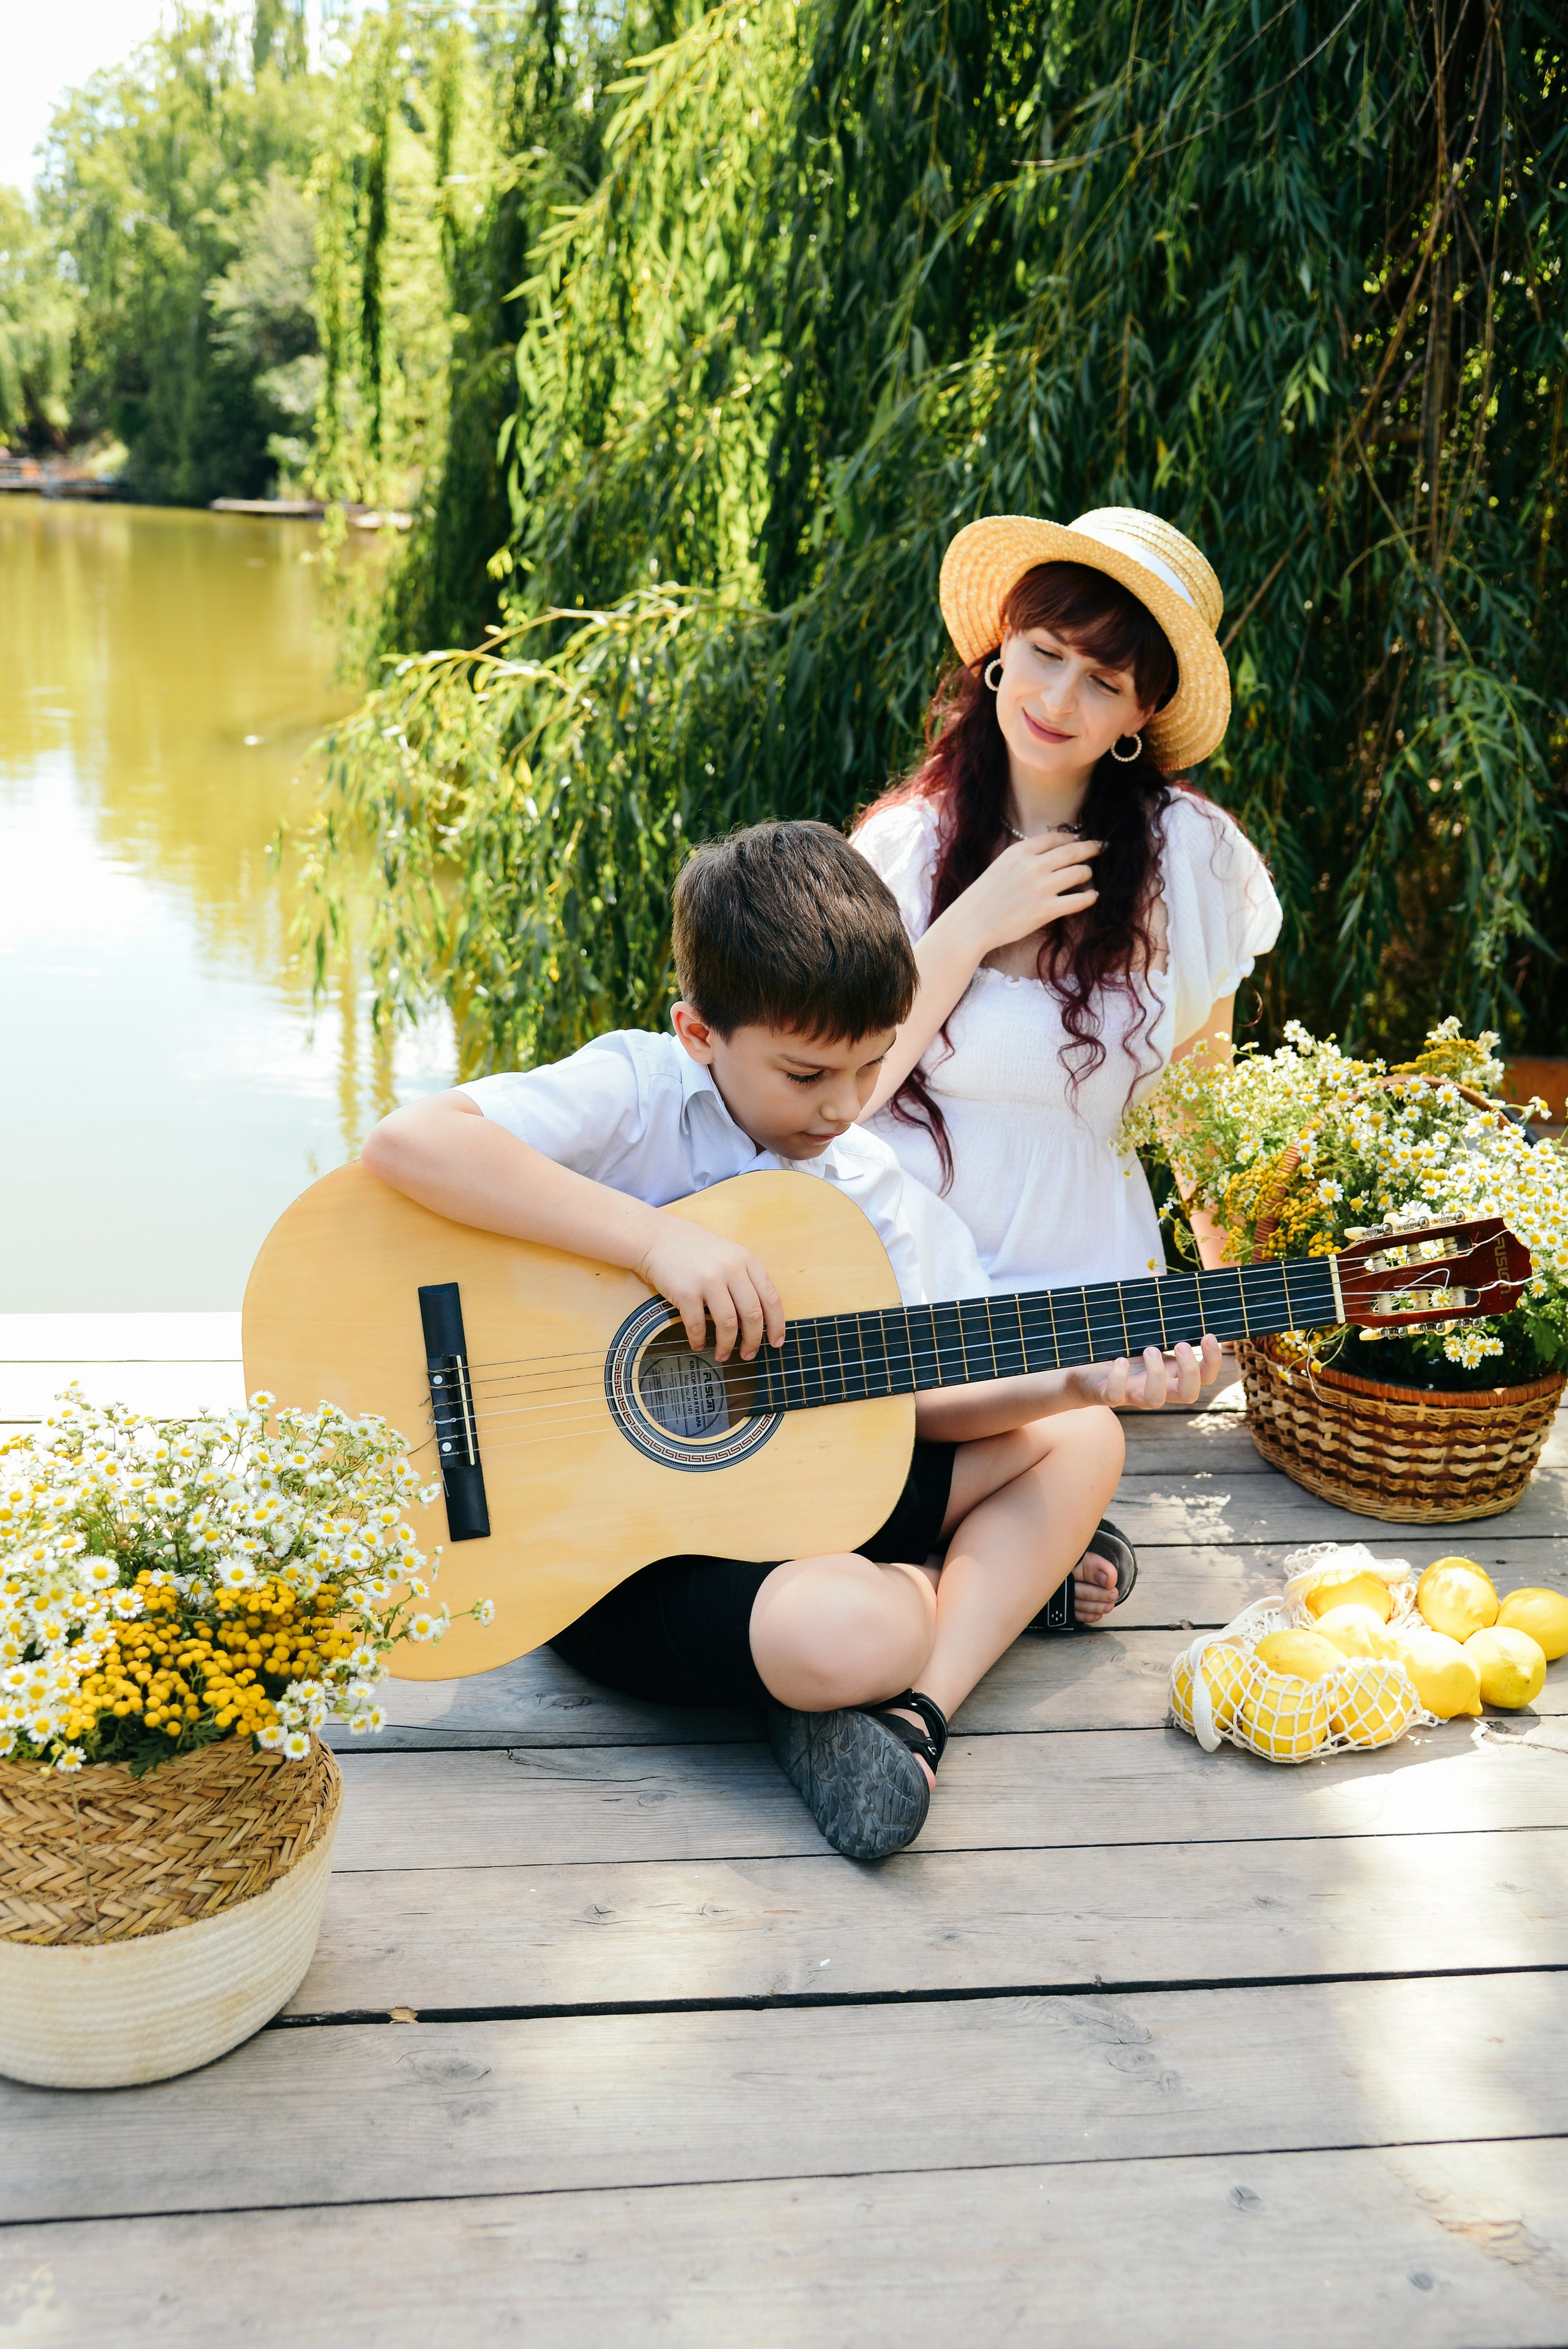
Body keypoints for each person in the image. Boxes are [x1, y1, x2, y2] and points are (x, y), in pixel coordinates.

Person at [361, 821, 1219, 1861]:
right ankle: (975, 1586)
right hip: (604, 1560)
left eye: (867, 1069)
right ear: (698, 1032)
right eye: (806, 1074)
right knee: (859, 1633)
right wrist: (658, 1243)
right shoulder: (639, 1096)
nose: (847, 1106)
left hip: (803, 1499)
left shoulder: (861, 1187)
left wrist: (1078, 1377)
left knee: (1082, 1435)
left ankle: (914, 1723)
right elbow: (410, 1143)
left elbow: (913, 1400)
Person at [854, 505, 1281, 1303]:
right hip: (899, 1280)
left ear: (1142, 713)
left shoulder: (1192, 860)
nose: (1056, 699)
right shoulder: (902, 849)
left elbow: (1204, 1124)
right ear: (1002, 647)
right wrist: (975, 921)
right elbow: (847, 1089)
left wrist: (1249, 1324)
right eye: (1045, 653)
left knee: (1078, 1433)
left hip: (1083, 1308)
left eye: (1103, 682)